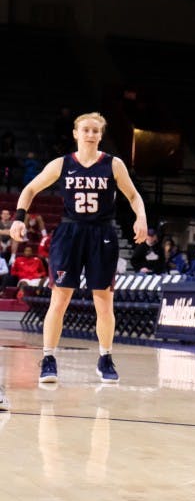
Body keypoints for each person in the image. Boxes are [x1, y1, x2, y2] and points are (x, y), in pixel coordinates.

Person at [9, 112, 147, 385]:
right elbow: (29, 189)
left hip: (102, 234)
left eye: (96, 130)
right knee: (59, 300)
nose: (91, 134)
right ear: (75, 133)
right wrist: (18, 218)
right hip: (70, 232)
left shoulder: (113, 164)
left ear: (101, 134)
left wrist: (141, 217)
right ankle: (48, 358)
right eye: (86, 130)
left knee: (104, 302)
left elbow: (133, 195)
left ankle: (105, 357)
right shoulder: (61, 164)